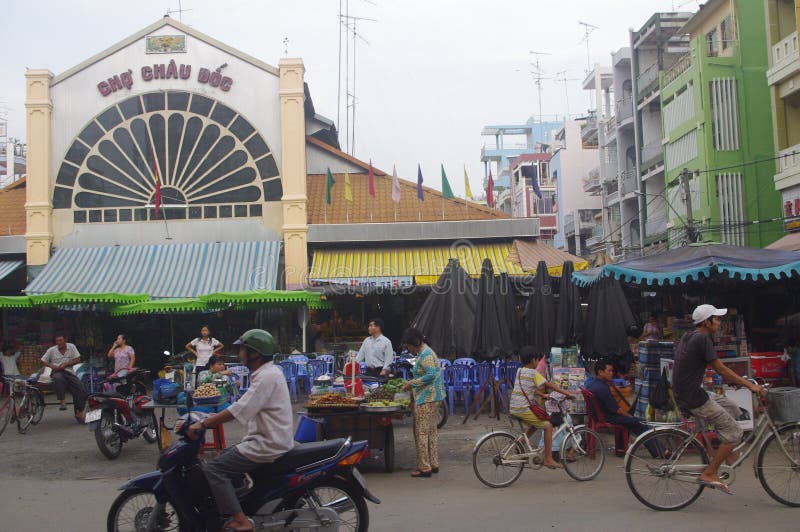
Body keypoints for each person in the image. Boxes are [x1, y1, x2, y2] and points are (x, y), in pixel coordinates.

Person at [186, 329, 293, 532]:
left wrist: (205, 423)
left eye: (243, 349)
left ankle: (241, 520)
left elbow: (239, 409)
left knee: (213, 469)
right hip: (265, 439)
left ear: (255, 354)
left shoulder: (266, 377)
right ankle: (241, 505)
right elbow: (243, 407)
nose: (239, 353)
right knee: (225, 455)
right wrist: (209, 418)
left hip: (267, 444)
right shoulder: (266, 373)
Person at [672, 304, 765, 494]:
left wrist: (735, 381)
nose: (720, 322)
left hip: (690, 392)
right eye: (717, 319)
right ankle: (710, 472)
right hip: (694, 398)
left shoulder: (690, 336)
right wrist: (750, 385)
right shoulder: (702, 339)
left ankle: (725, 451)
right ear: (706, 322)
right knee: (735, 432)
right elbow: (720, 368)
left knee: (732, 408)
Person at [508, 346, 574, 469]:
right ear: (533, 360)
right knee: (548, 426)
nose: (538, 363)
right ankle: (548, 459)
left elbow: (527, 388)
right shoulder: (534, 373)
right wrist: (567, 394)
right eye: (538, 360)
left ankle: (520, 443)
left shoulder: (520, 371)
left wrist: (543, 395)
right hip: (523, 408)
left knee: (535, 424)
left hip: (515, 407)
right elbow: (550, 385)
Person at [586, 358, 659, 456]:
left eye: (612, 371)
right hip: (608, 417)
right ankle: (659, 451)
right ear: (600, 372)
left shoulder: (593, 384)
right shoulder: (602, 388)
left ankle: (623, 448)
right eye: (609, 371)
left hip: (600, 415)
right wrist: (629, 416)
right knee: (638, 423)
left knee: (634, 423)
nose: (611, 373)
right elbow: (617, 410)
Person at [401, 327, 445, 478]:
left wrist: (411, 383)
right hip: (434, 397)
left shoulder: (425, 354)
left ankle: (424, 467)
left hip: (427, 398)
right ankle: (433, 463)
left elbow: (431, 375)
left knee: (421, 432)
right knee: (431, 431)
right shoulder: (426, 351)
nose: (408, 348)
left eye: (408, 345)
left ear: (415, 342)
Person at [41, 334, 87, 419]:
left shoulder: (71, 347)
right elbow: (43, 361)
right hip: (57, 372)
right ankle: (62, 401)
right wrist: (51, 366)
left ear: (65, 340)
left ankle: (79, 412)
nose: (59, 343)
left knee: (81, 390)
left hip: (69, 372)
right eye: (57, 341)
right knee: (57, 378)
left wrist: (66, 364)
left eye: (61, 340)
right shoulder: (52, 350)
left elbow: (78, 359)